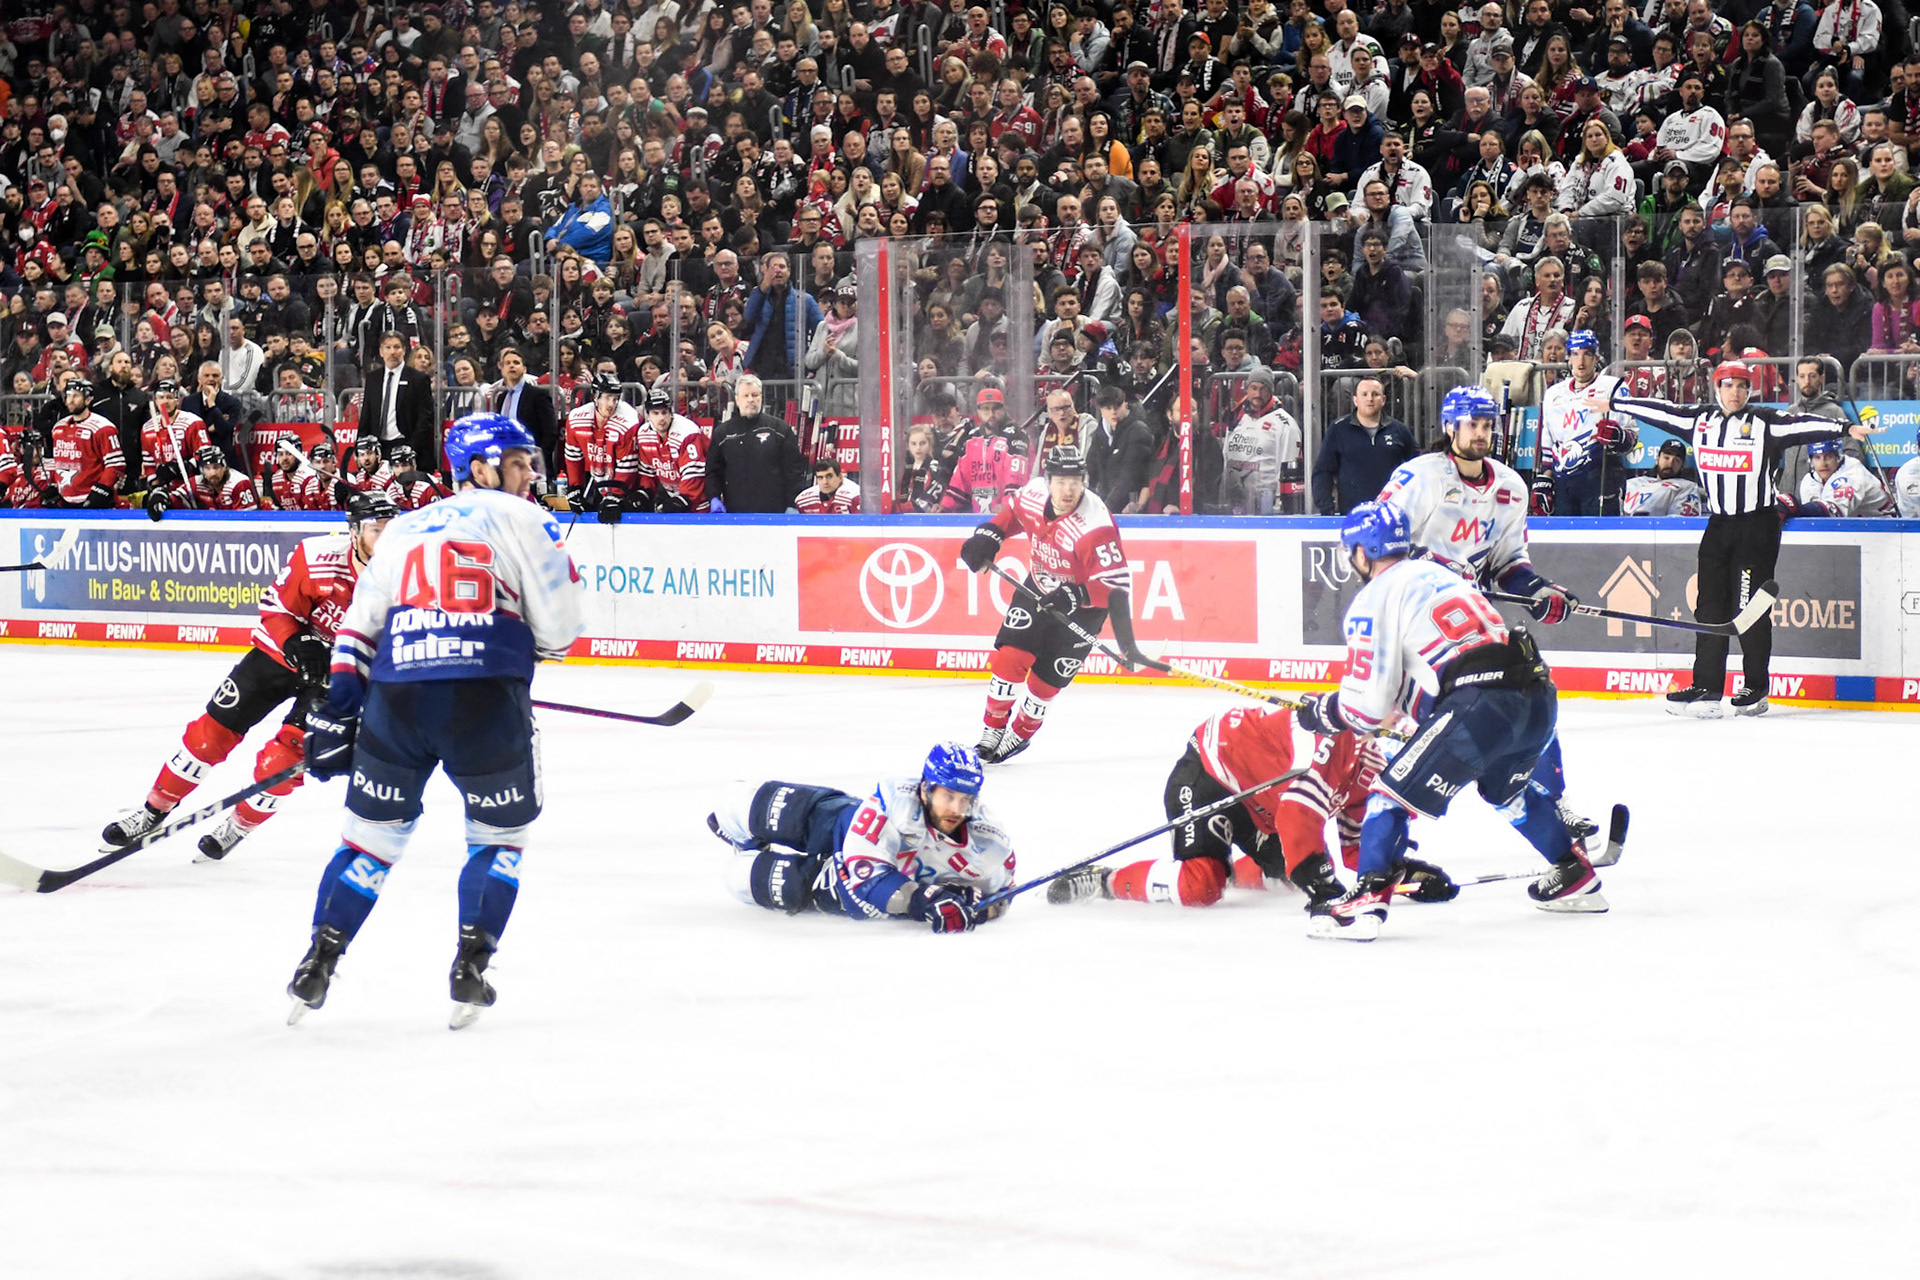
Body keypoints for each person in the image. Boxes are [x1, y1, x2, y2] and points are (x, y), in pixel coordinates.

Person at [288, 414, 586, 1027]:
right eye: (518, 461)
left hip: (397, 698)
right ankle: (470, 967)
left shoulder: (403, 527)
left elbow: (358, 626)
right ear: (480, 469)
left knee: (369, 842)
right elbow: (561, 627)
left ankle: (318, 960)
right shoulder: (527, 518)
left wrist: (339, 709)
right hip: (485, 701)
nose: (531, 473)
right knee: (499, 838)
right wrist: (528, 641)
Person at [1290, 501, 1605, 941]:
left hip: (1481, 703)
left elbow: (1369, 707)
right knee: (1505, 790)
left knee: (1388, 793)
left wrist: (1324, 713)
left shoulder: (1373, 598)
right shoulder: (1442, 574)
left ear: (1361, 553)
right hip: (1536, 695)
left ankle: (1365, 901)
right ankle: (1574, 874)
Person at [101, 493, 397, 861]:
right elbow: (276, 607)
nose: (385, 540)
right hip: (279, 656)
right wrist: (297, 642)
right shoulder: (316, 556)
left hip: (341, 675)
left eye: (392, 530)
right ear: (354, 532)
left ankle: (238, 826)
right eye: (375, 530)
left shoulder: (407, 578)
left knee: (284, 763)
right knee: (208, 737)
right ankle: (153, 810)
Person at [1379, 386, 1599, 849]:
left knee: (1524, 694)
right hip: (1416, 623)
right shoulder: (1420, 477)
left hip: (1470, 621)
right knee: (1403, 723)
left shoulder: (1509, 486)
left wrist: (1540, 591)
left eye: (1486, 425)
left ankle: (1551, 800)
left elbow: (1509, 563)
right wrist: (1419, 567)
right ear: (1449, 427)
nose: (1481, 434)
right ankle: (1381, 834)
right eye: (1471, 425)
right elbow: (1375, 546)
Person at [1614, 361, 1849, 716]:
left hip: (1757, 526)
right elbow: (1663, 412)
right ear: (1716, 388)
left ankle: (1755, 687)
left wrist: (1844, 426)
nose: (1735, 392)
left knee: (1749, 607)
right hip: (1719, 525)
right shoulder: (1700, 421)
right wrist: (1618, 404)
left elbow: (1803, 426)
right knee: (1709, 608)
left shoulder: (1764, 422)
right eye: (1728, 386)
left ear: (1750, 390)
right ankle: (1707, 688)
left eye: (1742, 386)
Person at [1046, 705, 1449, 911]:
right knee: (1201, 887)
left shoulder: (1369, 775)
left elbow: (1355, 847)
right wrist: (1321, 884)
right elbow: (1296, 814)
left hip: (1263, 803)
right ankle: (1104, 881)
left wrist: (1401, 876)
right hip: (1211, 772)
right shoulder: (1335, 743)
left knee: (1290, 874)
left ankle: (1235, 873)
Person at [957, 445, 1153, 764]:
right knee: (1011, 658)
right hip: (1039, 588)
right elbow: (1010, 517)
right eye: (1061, 481)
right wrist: (988, 537)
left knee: (1045, 683)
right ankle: (991, 731)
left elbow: (1116, 586)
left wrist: (1074, 595)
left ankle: (1019, 734)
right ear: (1047, 481)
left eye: (1075, 481)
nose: (1068, 490)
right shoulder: (1033, 494)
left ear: (1084, 482)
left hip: (1084, 608)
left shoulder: (1094, 525)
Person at [705, 744, 1013, 933]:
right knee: (734, 803)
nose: (956, 809)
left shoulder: (989, 842)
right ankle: (746, 838)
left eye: (965, 799)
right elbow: (867, 873)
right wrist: (925, 899)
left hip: (841, 889)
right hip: (837, 825)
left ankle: (750, 855)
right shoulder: (895, 800)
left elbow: (1004, 893)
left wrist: (978, 907)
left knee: (738, 878)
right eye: (948, 796)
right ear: (925, 789)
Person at [1536, 330, 1638, 515]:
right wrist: (1545, 478)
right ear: (1568, 357)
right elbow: (1549, 442)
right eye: (1575, 354)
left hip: (1601, 477)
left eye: (1587, 354)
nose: (1581, 361)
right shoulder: (1553, 393)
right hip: (1564, 482)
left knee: (1602, 539)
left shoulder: (1613, 387)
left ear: (1596, 357)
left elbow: (1630, 437)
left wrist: (1618, 437)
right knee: (1564, 540)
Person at [1312, 376, 1419, 514]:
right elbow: (1323, 471)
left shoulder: (1399, 430)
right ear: (1355, 400)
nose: (1370, 399)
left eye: (1375, 394)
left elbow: (1417, 468)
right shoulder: (1338, 429)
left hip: (1392, 516)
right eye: (1364, 394)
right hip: (1352, 516)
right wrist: (1326, 508)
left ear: (1384, 400)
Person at [707, 374, 809, 512]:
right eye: (746, 395)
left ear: (761, 397)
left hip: (774, 514)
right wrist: (713, 497)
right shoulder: (722, 433)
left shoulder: (780, 430)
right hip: (736, 514)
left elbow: (794, 471)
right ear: (737, 399)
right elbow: (712, 471)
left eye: (755, 395)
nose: (751, 400)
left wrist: (793, 504)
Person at [560, 371, 643, 521]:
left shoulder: (627, 420)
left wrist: (615, 496)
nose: (611, 404)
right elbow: (573, 457)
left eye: (615, 398)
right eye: (607, 398)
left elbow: (628, 465)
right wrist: (575, 488)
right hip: (601, 482)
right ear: (595, 397)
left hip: (629, 486)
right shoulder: (576, 419)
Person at [1219, 369, 1302, 513]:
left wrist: (1279, 504)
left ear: (1271, 391)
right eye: (1254, 388)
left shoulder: (1285, 424)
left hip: (1265, 505)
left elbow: (1288, 471)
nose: (1257, 394)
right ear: (1247, 389)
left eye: (1263, 389)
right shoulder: (1236, 416)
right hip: (1234, 502)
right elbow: (1225, 457)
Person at [45, 379, 125, 508]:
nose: (70, 400)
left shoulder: (103, 428)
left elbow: (116, 464)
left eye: (76, 395)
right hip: (65, 500)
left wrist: (101, 489)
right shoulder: (58, 428)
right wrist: (54, 486)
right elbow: (57, 461)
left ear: (88, 399)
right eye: (68, 395)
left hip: (93, 500)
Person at [633, 385, 710, 512]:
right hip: (675, 496)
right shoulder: (644, 434)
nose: (661, 418)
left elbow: (694, 474)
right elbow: (648, 473)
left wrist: (684, 499)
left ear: (671, 412)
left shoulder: (687, 432)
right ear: (648, 415)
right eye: (655, 413)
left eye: (664, 412)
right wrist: (644, 492)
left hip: (700, 502)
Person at [148, 445, 262, 517]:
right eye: (207, 468)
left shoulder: (240, 483)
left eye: (216, 467)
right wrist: (159, 497)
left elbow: (247, 521)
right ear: (202, 470)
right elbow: (173, 499)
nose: (212, 473)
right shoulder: (196, 483)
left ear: (225, 467)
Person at [1793, 437, 1897, 515]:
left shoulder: (1852, 474)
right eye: (1817, 457)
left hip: (1884, 527)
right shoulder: (1810, 480)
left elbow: (1833, 513)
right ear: (1810, 461)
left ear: (1838, 456)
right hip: (1854, 528)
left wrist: (1794, 509)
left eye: (1828, 457)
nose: (1823, 463)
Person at [1621, 439, 1706, 515]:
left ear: (1682, 466)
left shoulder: (1686, 487)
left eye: (1677, 460)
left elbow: (1680, 525)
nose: (1670, 463)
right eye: (1666, 458)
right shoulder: (1635, 482)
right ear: (1657, 459)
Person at [794, 457, 861, 512]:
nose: (825, 482)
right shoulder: (804, 501)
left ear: (840, 477)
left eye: (829, 476)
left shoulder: (854, 497)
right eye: (820, 478)